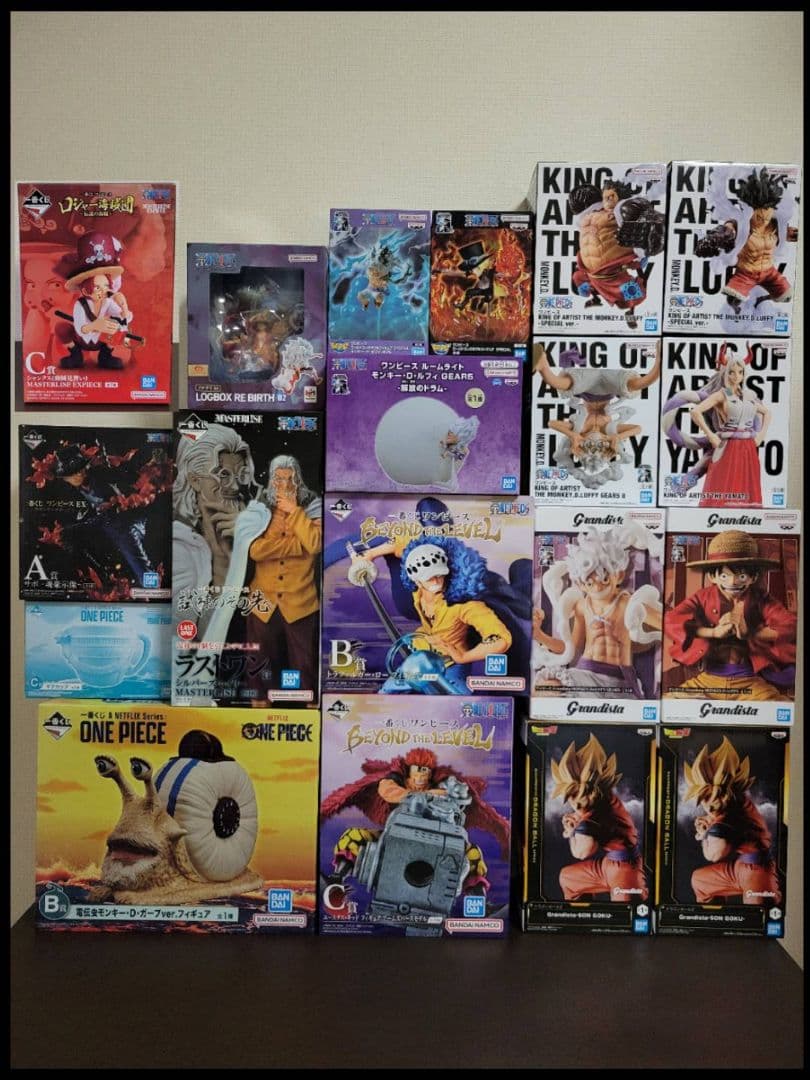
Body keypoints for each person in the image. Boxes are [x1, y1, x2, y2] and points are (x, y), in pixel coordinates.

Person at [321, 747, 510, 898]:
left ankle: (479, 899)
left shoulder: (440, 786)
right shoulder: (395, 780)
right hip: (396, 834)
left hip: (438, 838)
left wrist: (440, 795)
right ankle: (337, 878)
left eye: (425, 771)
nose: (421, 776)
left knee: (473, 854)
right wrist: (414, 797)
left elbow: (455, 800)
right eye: (418, 770)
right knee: (353, 836)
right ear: (409, 770)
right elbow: (387, 790)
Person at [347, 534, 512, 694]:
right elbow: (403, 542)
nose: (436, 581)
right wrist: (370, 554)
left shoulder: (465, 605)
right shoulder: (418, 585)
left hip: (450, 665)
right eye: (429, 578)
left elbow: (501, 639)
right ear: (416, 580)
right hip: (419, 658)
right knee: (386, 692)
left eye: (439, 575)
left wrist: (463, 656)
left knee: (461, 702)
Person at [532, 522, 662, 699]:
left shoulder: (628, 604)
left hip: (620, 680)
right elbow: (571, 648)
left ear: (619, 575)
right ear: (581, 584)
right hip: (586, 673)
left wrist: (637, 633)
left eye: (604, 578)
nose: (597, 587)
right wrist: (539, 635)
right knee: (546, 686)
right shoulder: (582, 606)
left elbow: (665, 624)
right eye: (589, 582)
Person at [664, 530, 796, 700]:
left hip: (750, 683)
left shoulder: (761, 599)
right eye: (724, 575)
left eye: (741, 576)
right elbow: (671, 620)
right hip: (706, 681)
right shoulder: (702, 597)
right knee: (670, 701)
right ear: (712, 576)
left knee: (776, 706)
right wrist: (713, 632)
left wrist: (751, 632)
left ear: (753, 577)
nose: (733, 582)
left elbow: (790, 625)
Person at [240, 454, 322, 701]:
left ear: (298, 480)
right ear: (271, 481)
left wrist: (294, 511)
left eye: (289, 479)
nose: (284, 485)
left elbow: (315, 543)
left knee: (305, 668)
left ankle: (307, 711)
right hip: (262, 602)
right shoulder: (260, 507)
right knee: (259, 668)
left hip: (301, 602)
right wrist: (296, 546)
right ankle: (259, 709)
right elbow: (255, 550)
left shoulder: (312, 505)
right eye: (278, 479)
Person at [535, 343, 660, 490]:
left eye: (589, 447)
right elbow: (637, 428)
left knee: (562, 384)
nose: (594, 444)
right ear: (606, 450)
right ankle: (660, 360)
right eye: (599, 447)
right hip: (609, 388)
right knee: (635, 385)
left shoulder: (580, 429)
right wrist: (617, 438)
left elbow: (552, 423)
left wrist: (573, 435)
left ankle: (542, 364)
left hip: (585, 388)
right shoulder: (610, 430)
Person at [664, 343, 770, 507]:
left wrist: (760, 435)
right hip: (728, 445)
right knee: (722, 485)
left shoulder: (748, 395)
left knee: (747, 490)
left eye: (740, 372)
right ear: (726, 372)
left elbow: (767, 413)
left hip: (748, 448)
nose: (736, 376)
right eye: (732, 372)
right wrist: (711, 435)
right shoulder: (721, 394)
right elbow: (695, 412)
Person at [684, 735, 781, 905]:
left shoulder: (724, 821)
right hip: (739, 867)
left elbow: (713, 855)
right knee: (700, 881)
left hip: (758, 873)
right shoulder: (737, 801)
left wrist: (705, 835)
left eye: (708, 797)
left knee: (756, 917)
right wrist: (709, 826)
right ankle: (716, 917)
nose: (706, 805)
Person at [551, 733, 648, 902]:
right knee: (568, 878)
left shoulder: (593, 819)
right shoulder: (604, 799)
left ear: (593, 791)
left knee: (625, 913)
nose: (575, 803)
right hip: (608, 864)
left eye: (579, 795)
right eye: (571, 796)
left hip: (627, 872)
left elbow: (581, 853)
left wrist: (573, 832)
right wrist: (576, 826)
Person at [569, 178, 665, 330]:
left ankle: (630, 312)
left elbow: (635, 225)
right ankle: (596, 299)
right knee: (578, 277)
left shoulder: (615, 214)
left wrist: (641, 252)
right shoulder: (584, 219)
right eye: (605, 196)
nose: (608, 200)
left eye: (611, 196)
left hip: (610, 273)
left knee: (633, 291)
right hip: (590, 272)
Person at [695, 167, 792, 314]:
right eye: (759, 217)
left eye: (767, 216)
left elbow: (789, 234)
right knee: (733, 302)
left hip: (770, 273)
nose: (764, 220)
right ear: (750, 210)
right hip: (746, 273)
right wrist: (719, 236)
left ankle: (760, 299)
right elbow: (727, 228)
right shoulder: (741, 225)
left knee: (787, 296)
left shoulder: (776, 225)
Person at [58, 232, 133, 370]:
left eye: (106, 286)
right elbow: (80, 328)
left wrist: (124, 307)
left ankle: (105, 355)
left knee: (119, 327)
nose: (103, 291)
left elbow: (123, 317)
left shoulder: (108, 302)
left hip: (101, 340)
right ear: (86, 291)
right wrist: (94, 325)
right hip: (82, 339)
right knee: (61, 328)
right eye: (97, 287)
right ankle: (75, 354)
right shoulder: (80, 305)